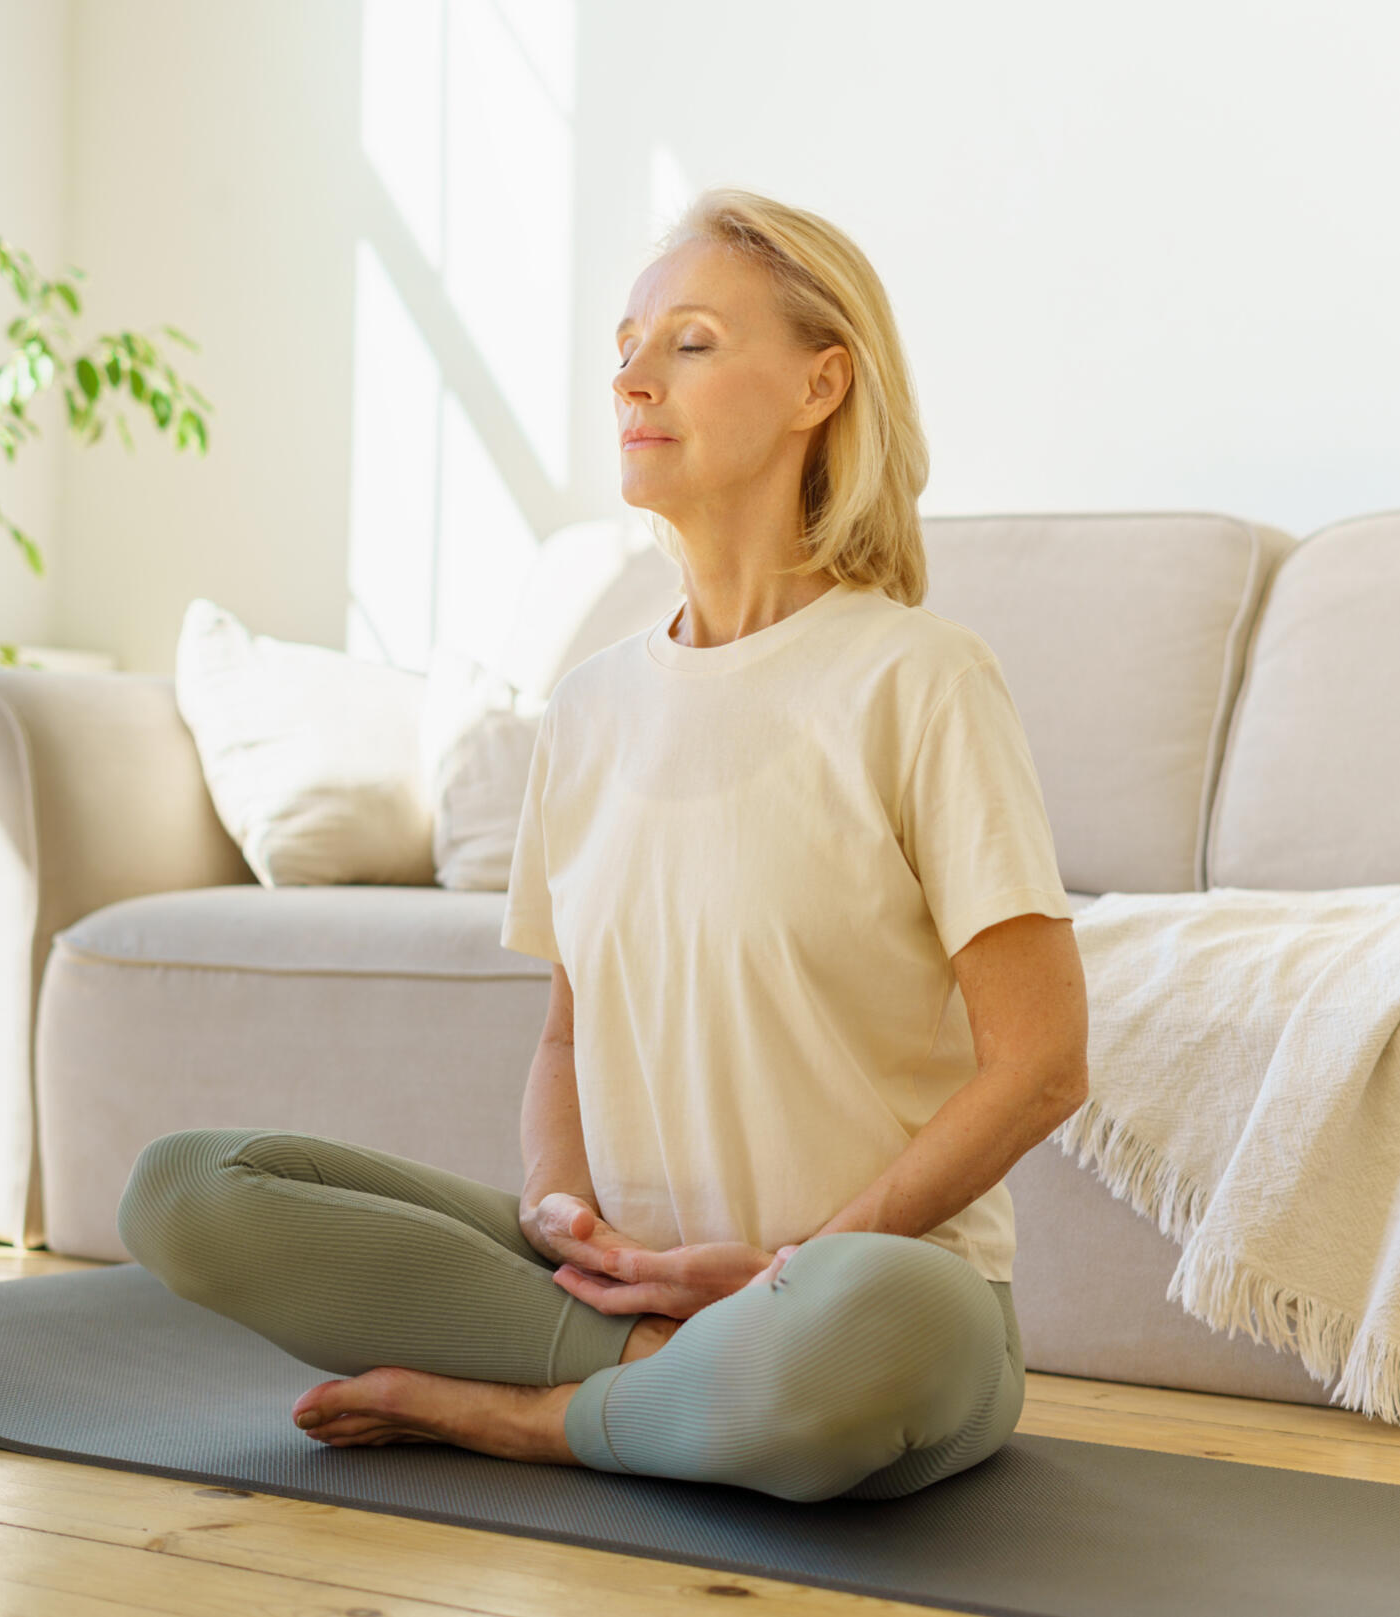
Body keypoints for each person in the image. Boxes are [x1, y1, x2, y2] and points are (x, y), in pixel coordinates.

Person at [117, 186, 1089, 1503]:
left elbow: (1038, 1064)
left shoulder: (917, 678)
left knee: (873, 1325)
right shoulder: (586, 707)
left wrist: (782, 1271)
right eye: (625, 345)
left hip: (874, 1296)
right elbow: (570, 1031)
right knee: (188, 1189)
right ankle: (657, 1376)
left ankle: (537, 1417)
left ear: (820, 383)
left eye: (687, 341)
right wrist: (560, 1211)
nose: (630, 374)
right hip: (618, 1280)